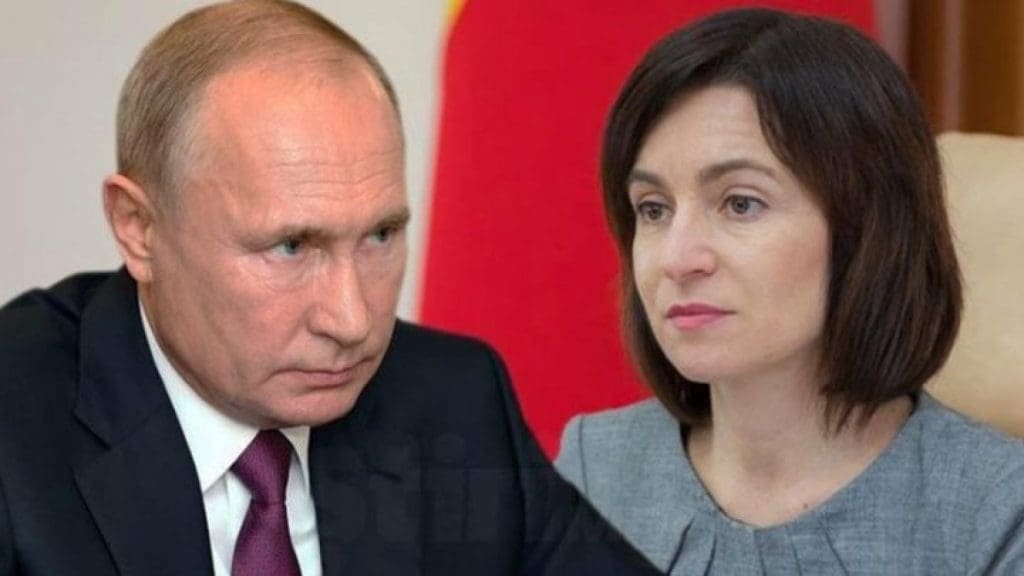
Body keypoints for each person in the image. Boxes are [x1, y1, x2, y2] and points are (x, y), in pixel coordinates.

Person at [0, 2, 656, 575]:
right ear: (139, 228)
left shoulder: (452, 402)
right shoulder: (15, 425)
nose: (352, 321)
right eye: (290, 246)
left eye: (379, 236)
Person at [555, 8, 1024, 575]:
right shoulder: (596, 469)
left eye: (741, 203)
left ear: (869, 230)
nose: (676, 259)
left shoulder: (999, 511)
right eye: (653, 209)